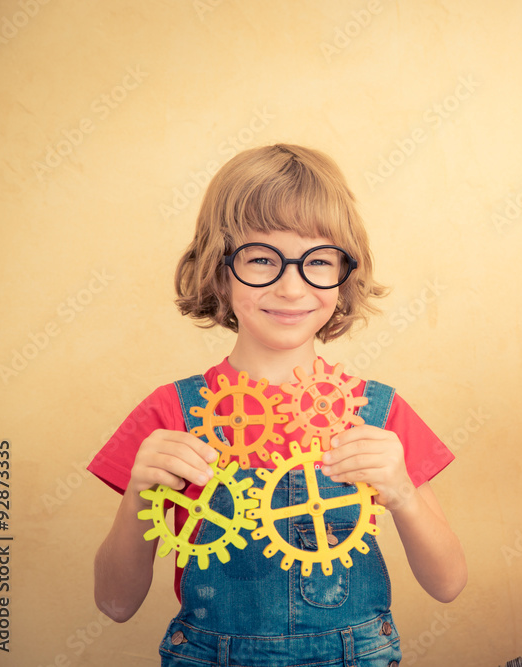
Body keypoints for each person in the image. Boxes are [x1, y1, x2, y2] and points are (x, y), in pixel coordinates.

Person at [89, 144, 467, 666]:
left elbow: (448, 583)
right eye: (262, 259)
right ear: (219, 270)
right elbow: (115, 602)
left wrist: (401, 491)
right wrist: (136, 494)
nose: (292, 288)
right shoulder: (170, 415)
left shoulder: (375, 413)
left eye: (317, 261)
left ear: (344, 273)